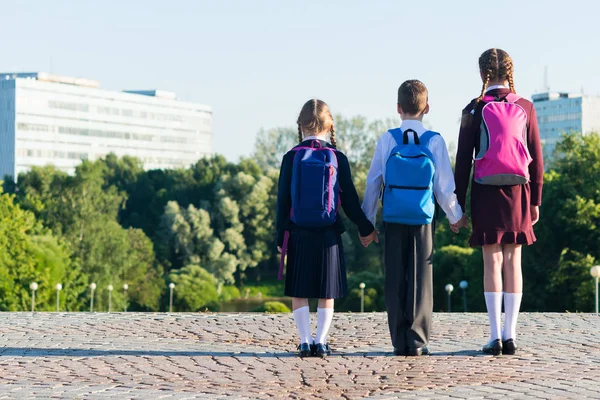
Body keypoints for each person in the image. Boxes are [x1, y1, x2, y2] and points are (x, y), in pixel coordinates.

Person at [361, 80, 466, 356]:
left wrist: (367, 224)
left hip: (394, 218)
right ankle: (417, 341)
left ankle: (398, 340)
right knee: (421, 278)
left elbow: (374, 182)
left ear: (398, 108)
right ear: (427, 108)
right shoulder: (434, 141)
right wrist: (456, 216)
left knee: (395, 277)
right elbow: (443, 187)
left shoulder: (387, 139)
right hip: (423, 218)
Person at [454, 48, 544, 355]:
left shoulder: (473, 109)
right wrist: (536, 199)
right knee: (513, 260)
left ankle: (494, 336)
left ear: (482, 75)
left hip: (484, 189)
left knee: (491, 259)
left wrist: (458, 202)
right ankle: (511, 335)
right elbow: (536, 158)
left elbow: (464, 159)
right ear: (511, 72)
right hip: (519, 190)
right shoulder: (527, 107)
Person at [276, 99, 376, 358]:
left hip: (297, 231)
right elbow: (351, 201)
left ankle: (305, 341)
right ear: (330, 124)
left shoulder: (291, 157)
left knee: (299, 290)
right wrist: (366, 228)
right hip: (329, 233)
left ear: (301, 125)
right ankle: (321, 341)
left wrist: (279, 237)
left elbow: (282, 201)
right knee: (326, 291)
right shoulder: (337, 157)